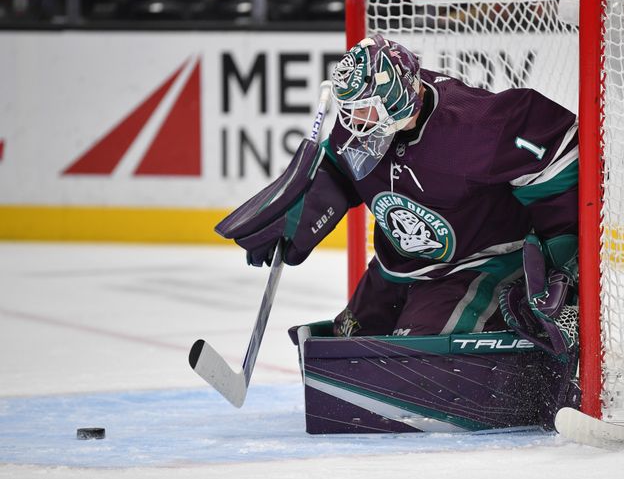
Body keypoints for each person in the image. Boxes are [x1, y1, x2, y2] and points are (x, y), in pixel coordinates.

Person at [217, 35, 579, 361]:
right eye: (350, 110)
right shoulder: (359, 124)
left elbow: (557, 150)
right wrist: (301, 208)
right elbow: (341, 166)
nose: (354, 122)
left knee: (417, 361)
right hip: (396, 265)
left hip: (476, 264)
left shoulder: (475, 127)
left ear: (400, 95)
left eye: (365, 109)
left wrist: (559, 253)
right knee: (349, 349)